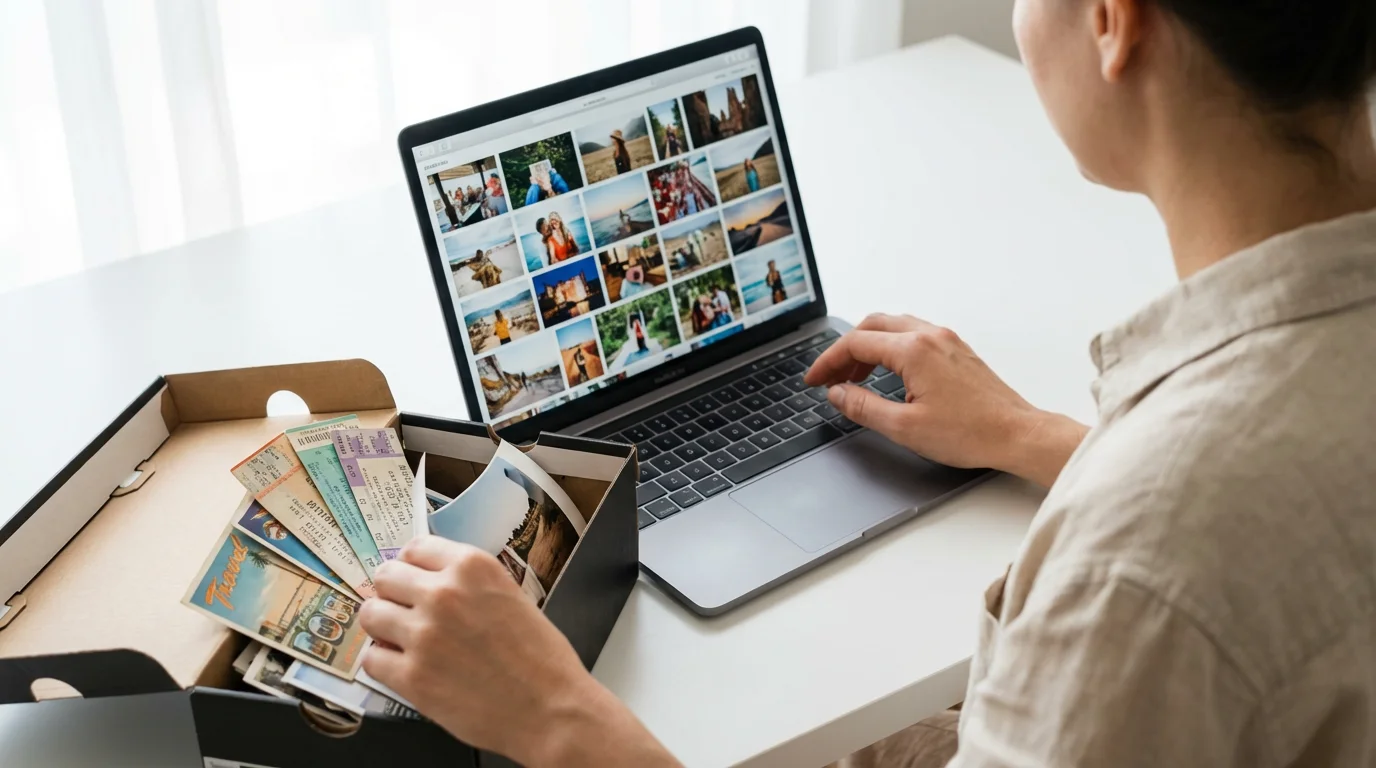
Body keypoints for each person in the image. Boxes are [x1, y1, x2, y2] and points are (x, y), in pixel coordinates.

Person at [357, 2, 1376, 766]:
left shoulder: (1144, 559)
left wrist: (556, 717)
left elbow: (1188, 553)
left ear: (1112, 23)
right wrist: (1035, 437)